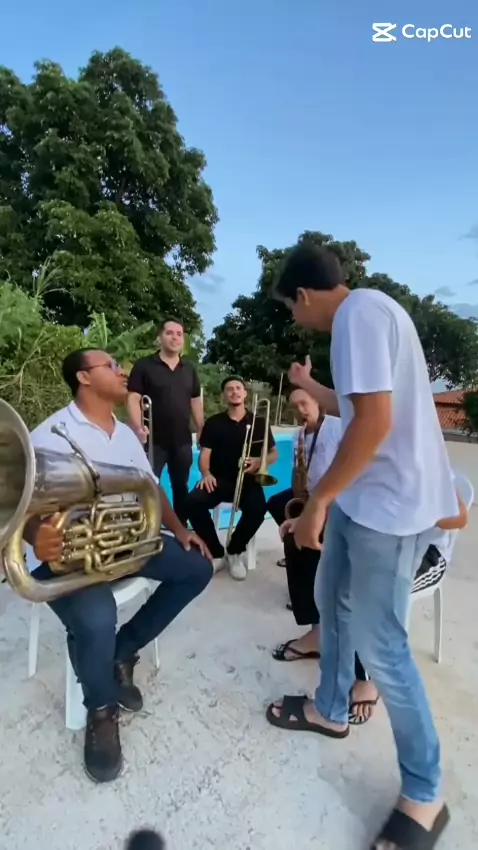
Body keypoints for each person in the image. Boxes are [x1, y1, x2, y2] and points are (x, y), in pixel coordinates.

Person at [267, 243, 459, 850]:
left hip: (389, 509)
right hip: (364, 499)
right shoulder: (366, 317)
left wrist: (318, 501)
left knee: (383, 645)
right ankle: (330, 709)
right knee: (331, 596)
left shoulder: (359, 316)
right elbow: (354, 409)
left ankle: (425, 794)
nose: (296, 319)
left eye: (290, 308)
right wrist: (309, 385)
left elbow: (374, 423)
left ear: (303, 295)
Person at [27, 348, 213, 784]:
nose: (121, 370)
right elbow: (18, 503)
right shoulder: (48, 434)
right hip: (67, 557)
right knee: (97, 617)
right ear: (83, 377)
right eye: (110, 365)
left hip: (123, 543)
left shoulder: (128, 435)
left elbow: (150, 488)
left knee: (197, 568)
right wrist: (37, 536)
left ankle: (122, 650)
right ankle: (101, 710)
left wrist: (179, 530)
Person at [267, 387, 377, 722]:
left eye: (305, 402)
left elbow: (350, 478)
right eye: (295, 406)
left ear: (319, 401)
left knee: (342, 587)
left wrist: (314, 513)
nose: (300, 410)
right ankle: (316, 629)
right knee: (294, 540)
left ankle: (365, 678)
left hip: (345, 507)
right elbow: (303, 478)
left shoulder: (339, 428)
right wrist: (300, 507)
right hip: (318, 501)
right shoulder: (300, 435)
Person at [185, 376, 278, 581]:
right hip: (219, 479)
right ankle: (216, 552)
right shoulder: (214, 423)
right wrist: (206, 474)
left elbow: (274, 453)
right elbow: (205, 455)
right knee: (192, 503)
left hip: (248, 481)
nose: (234, 392)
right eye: (229, 389)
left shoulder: (259, 422)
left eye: (238, 388)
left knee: (258, 509)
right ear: (224, 396)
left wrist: (259, 462)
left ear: (245, 393)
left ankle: (235, 550)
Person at [127, 319, 204, 524]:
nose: (175, 337)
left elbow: (195, 400)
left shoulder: (189, 368)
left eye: (179, 334)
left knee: (181, 486)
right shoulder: (144, 366)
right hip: (152, 440)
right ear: (159, 338)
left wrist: (201, 427)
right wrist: (138, 428)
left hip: (182, 440)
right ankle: (143, 528)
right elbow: (133, 398)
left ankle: (180, 529)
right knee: (147, 486)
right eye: (170, 333)